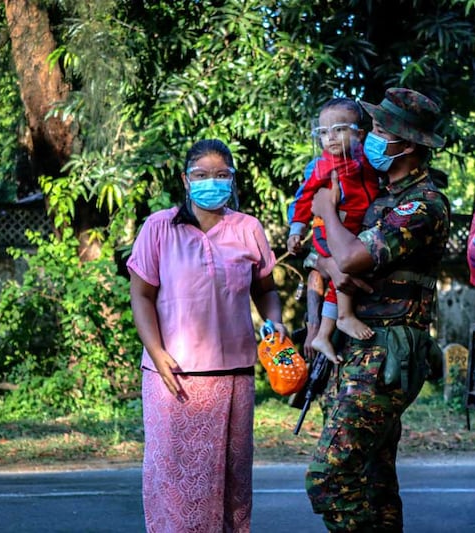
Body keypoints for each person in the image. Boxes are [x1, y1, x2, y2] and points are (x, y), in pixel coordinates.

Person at [304, 87, 450, 532]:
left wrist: (326, 211)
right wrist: (329, 260)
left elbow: (347, 260)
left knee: (328, 478)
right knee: (373, 479)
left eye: (381, 129)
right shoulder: (381, 198)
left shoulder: (422, 205)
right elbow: (328, 262)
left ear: (406, 145)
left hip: (388, 351)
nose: (371, 134)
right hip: (361, 347)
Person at [127, 139, 287, 533]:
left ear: (232, 180)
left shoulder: (247, 229)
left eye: (220, 175)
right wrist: (156, 351)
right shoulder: (159, 227)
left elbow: (265, 290)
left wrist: (275, 321)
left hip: (233, 378)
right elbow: (141, 296)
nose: (210, 183)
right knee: (175, 481)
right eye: (200, 175)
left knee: (230, 480)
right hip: (172, 377)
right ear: (185, 179)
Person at [287, 97, 381, 360]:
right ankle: (344, 316)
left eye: (339, 129)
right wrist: (296, 229)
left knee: (339, 281)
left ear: (359, 134)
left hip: (352, 231)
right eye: (324, 132)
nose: (331, 138)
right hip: (328, 230)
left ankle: (324, 335)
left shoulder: (367, 162)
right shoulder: (321, 166)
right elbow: (304, 198)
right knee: (345, 268)